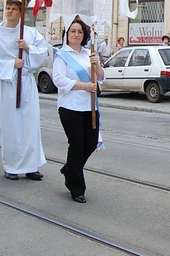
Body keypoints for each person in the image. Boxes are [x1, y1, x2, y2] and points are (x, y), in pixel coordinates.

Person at [0, 0, 47, 181]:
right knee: (10, 125)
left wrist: (28, 48)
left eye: (14, 9)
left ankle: (31, 166)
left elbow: (43, 53)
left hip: (26, 82)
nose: (10, 11)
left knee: (29, 125)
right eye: (7, 8)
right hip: (8, 83)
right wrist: (11, 64)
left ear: (20, 12)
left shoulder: (30, 33)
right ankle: (11, 165)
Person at [53, 16, 105, 203]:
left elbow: (101, 77)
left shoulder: (88, 53)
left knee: (90, 144)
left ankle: (69, 169)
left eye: (80, 31)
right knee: (76, 146)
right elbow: (58, 80)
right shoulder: (61, 55)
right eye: (73, 31)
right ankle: (76, 187)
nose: (76, 34)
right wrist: (84, 86)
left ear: (84, 35)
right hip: (70, 108)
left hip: (90, 107)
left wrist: (97, 63)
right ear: (67, 34)